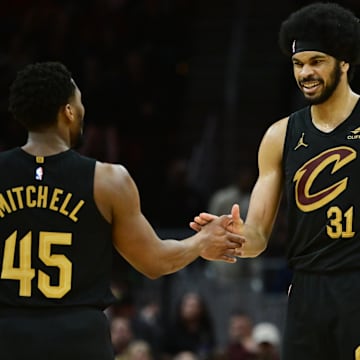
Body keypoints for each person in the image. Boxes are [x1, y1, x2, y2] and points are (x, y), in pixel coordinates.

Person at [0, 61, 245, 360]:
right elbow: (154, 262)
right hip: (78, 339)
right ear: (68, 111)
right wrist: (201, 242)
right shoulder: (108, 180)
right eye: (80, 102)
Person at [190, 2, 360, 359]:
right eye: (298, 64)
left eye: (317, 62)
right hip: (306, 289)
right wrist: (231, 237)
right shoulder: (279, 136)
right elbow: (257, 239)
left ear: (344, 61)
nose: (305, 73)